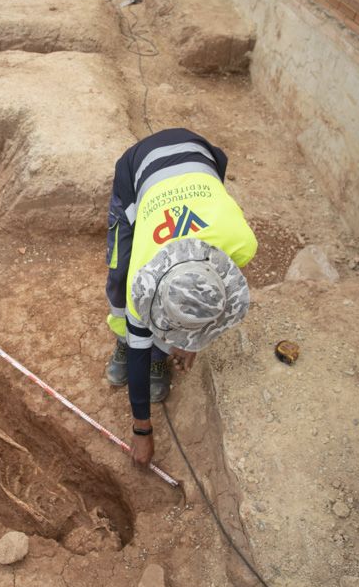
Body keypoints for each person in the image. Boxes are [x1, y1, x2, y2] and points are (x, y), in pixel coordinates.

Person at [105, 128, 257, 466]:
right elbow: (139, 351)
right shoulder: (140, 281)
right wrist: (141, 430)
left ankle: (165, 349)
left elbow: (211, 303)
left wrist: (191, 340)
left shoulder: (241, 243)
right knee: (118, 272)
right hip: (137, 170)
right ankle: (120, 339)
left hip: (200, 158)